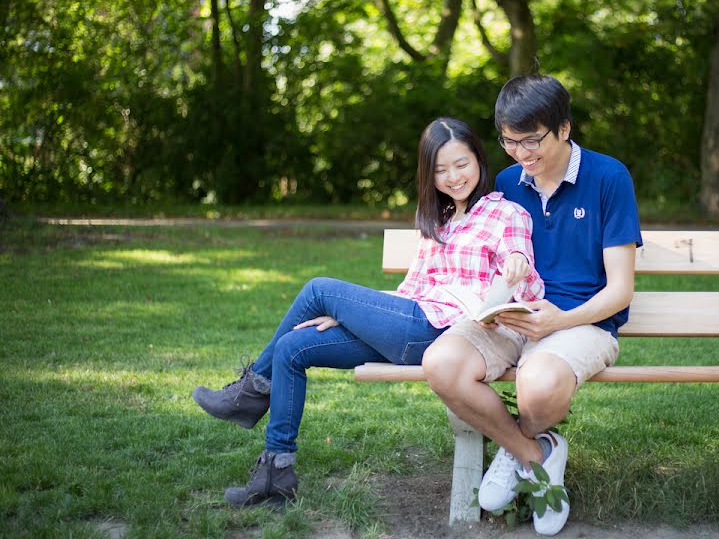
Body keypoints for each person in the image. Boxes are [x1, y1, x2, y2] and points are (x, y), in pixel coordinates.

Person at [192, 117, 544, 507]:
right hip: (408, 323)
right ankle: (276, 477)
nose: (453, 177)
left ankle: (251, 391)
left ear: (479, 159)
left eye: (461, 164)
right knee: (292, 348)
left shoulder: (504, 212)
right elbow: (410, 290)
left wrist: (514, 261)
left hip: (442, 333)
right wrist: (349, 314)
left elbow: (519, 258)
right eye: (440, 170)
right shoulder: (439, 220)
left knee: (318, 289)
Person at [422, 75, 642, 536]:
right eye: (509, 141)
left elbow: (620, 291)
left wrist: (561, 319)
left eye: (532, 140)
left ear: (564, 128)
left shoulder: (608, 177)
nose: (522, 153)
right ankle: (534, 454)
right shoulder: (504, 181)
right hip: (509, 317)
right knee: (441, 363)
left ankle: (516, 447)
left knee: (537, 383)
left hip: (581, 319)